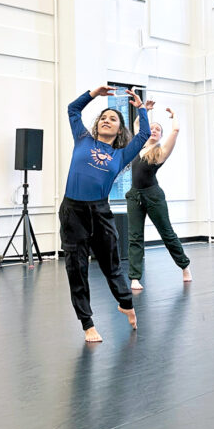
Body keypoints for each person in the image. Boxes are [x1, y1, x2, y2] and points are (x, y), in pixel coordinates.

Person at [61, 86, 150, 342]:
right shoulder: (83, 139)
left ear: (119, 129)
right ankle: (88, 324)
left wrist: (140, 107)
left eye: (113, 118)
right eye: (103, 117)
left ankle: (125, 303)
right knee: (76, 268)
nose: (106, 120)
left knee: (111, 265)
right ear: (96, 125)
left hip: (100, 211)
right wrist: (93, 93)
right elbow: (73, 109)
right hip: (72, 211)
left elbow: (144, 134)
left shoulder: (121, 155)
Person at [125, 107, 192, 291]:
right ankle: (135, 277)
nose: (153, 130)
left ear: (161, 135)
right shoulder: (138, 146)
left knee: (167, 233)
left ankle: (184, 265)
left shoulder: (161, 151)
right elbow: (137, 124)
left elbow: (176, 131)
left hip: (153, 196)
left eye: (157, 129)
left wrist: (175, 116)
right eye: (151, 128)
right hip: (134, 196)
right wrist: (144, 110)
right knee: (135, 237)